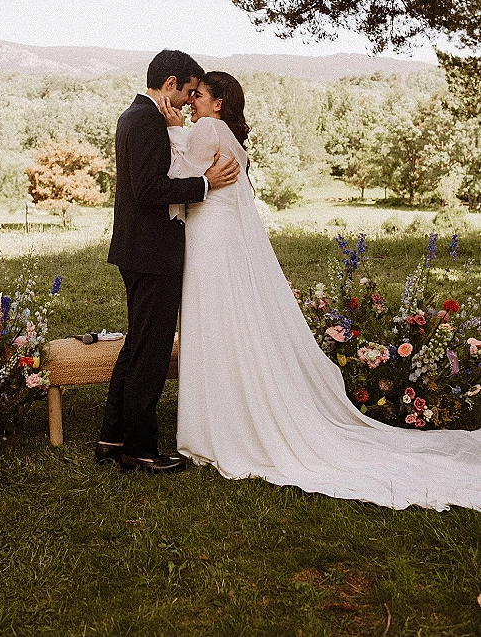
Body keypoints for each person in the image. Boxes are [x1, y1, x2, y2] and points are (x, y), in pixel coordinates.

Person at [160, 70, 481, 510]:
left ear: (217, 104)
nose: (190, 101)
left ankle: (220, 427)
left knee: (214, 323)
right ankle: (230, 413)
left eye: (198, 96)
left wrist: (174, 130)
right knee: (228, 324)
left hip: (210, 243)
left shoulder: (207, 129)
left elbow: (179, 180)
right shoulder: (231, 139)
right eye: (189, 96)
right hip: (222, 241)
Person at [97, 51, 240, 474]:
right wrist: (204, 183)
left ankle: (112, 437)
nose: (187, 102)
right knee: (152, 353)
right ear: (171, 82)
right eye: (188, 92)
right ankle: (140, 449)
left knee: (137, 345)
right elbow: (148, 189)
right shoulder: (145, 120)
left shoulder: (136, 115)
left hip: (139, 249)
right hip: (151, 251)